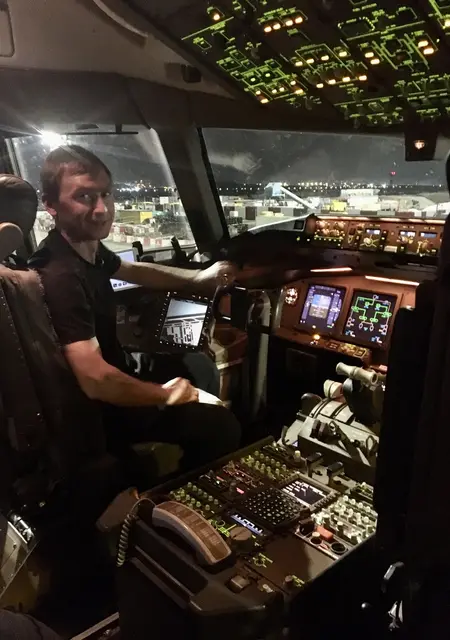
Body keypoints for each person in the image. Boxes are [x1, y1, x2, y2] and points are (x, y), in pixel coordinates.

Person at [29, 145, 241, 475]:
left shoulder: (85, 248)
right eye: (84, 197)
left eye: (106, 194)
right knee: (221, 427)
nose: (101, 209)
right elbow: (95, 380)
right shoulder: (60, 276)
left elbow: (133, 270)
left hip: (114, 373)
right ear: (50, 205)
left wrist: (198, 279)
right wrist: (164, 395)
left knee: (198, 367)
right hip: (96, 411)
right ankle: (176, 492)